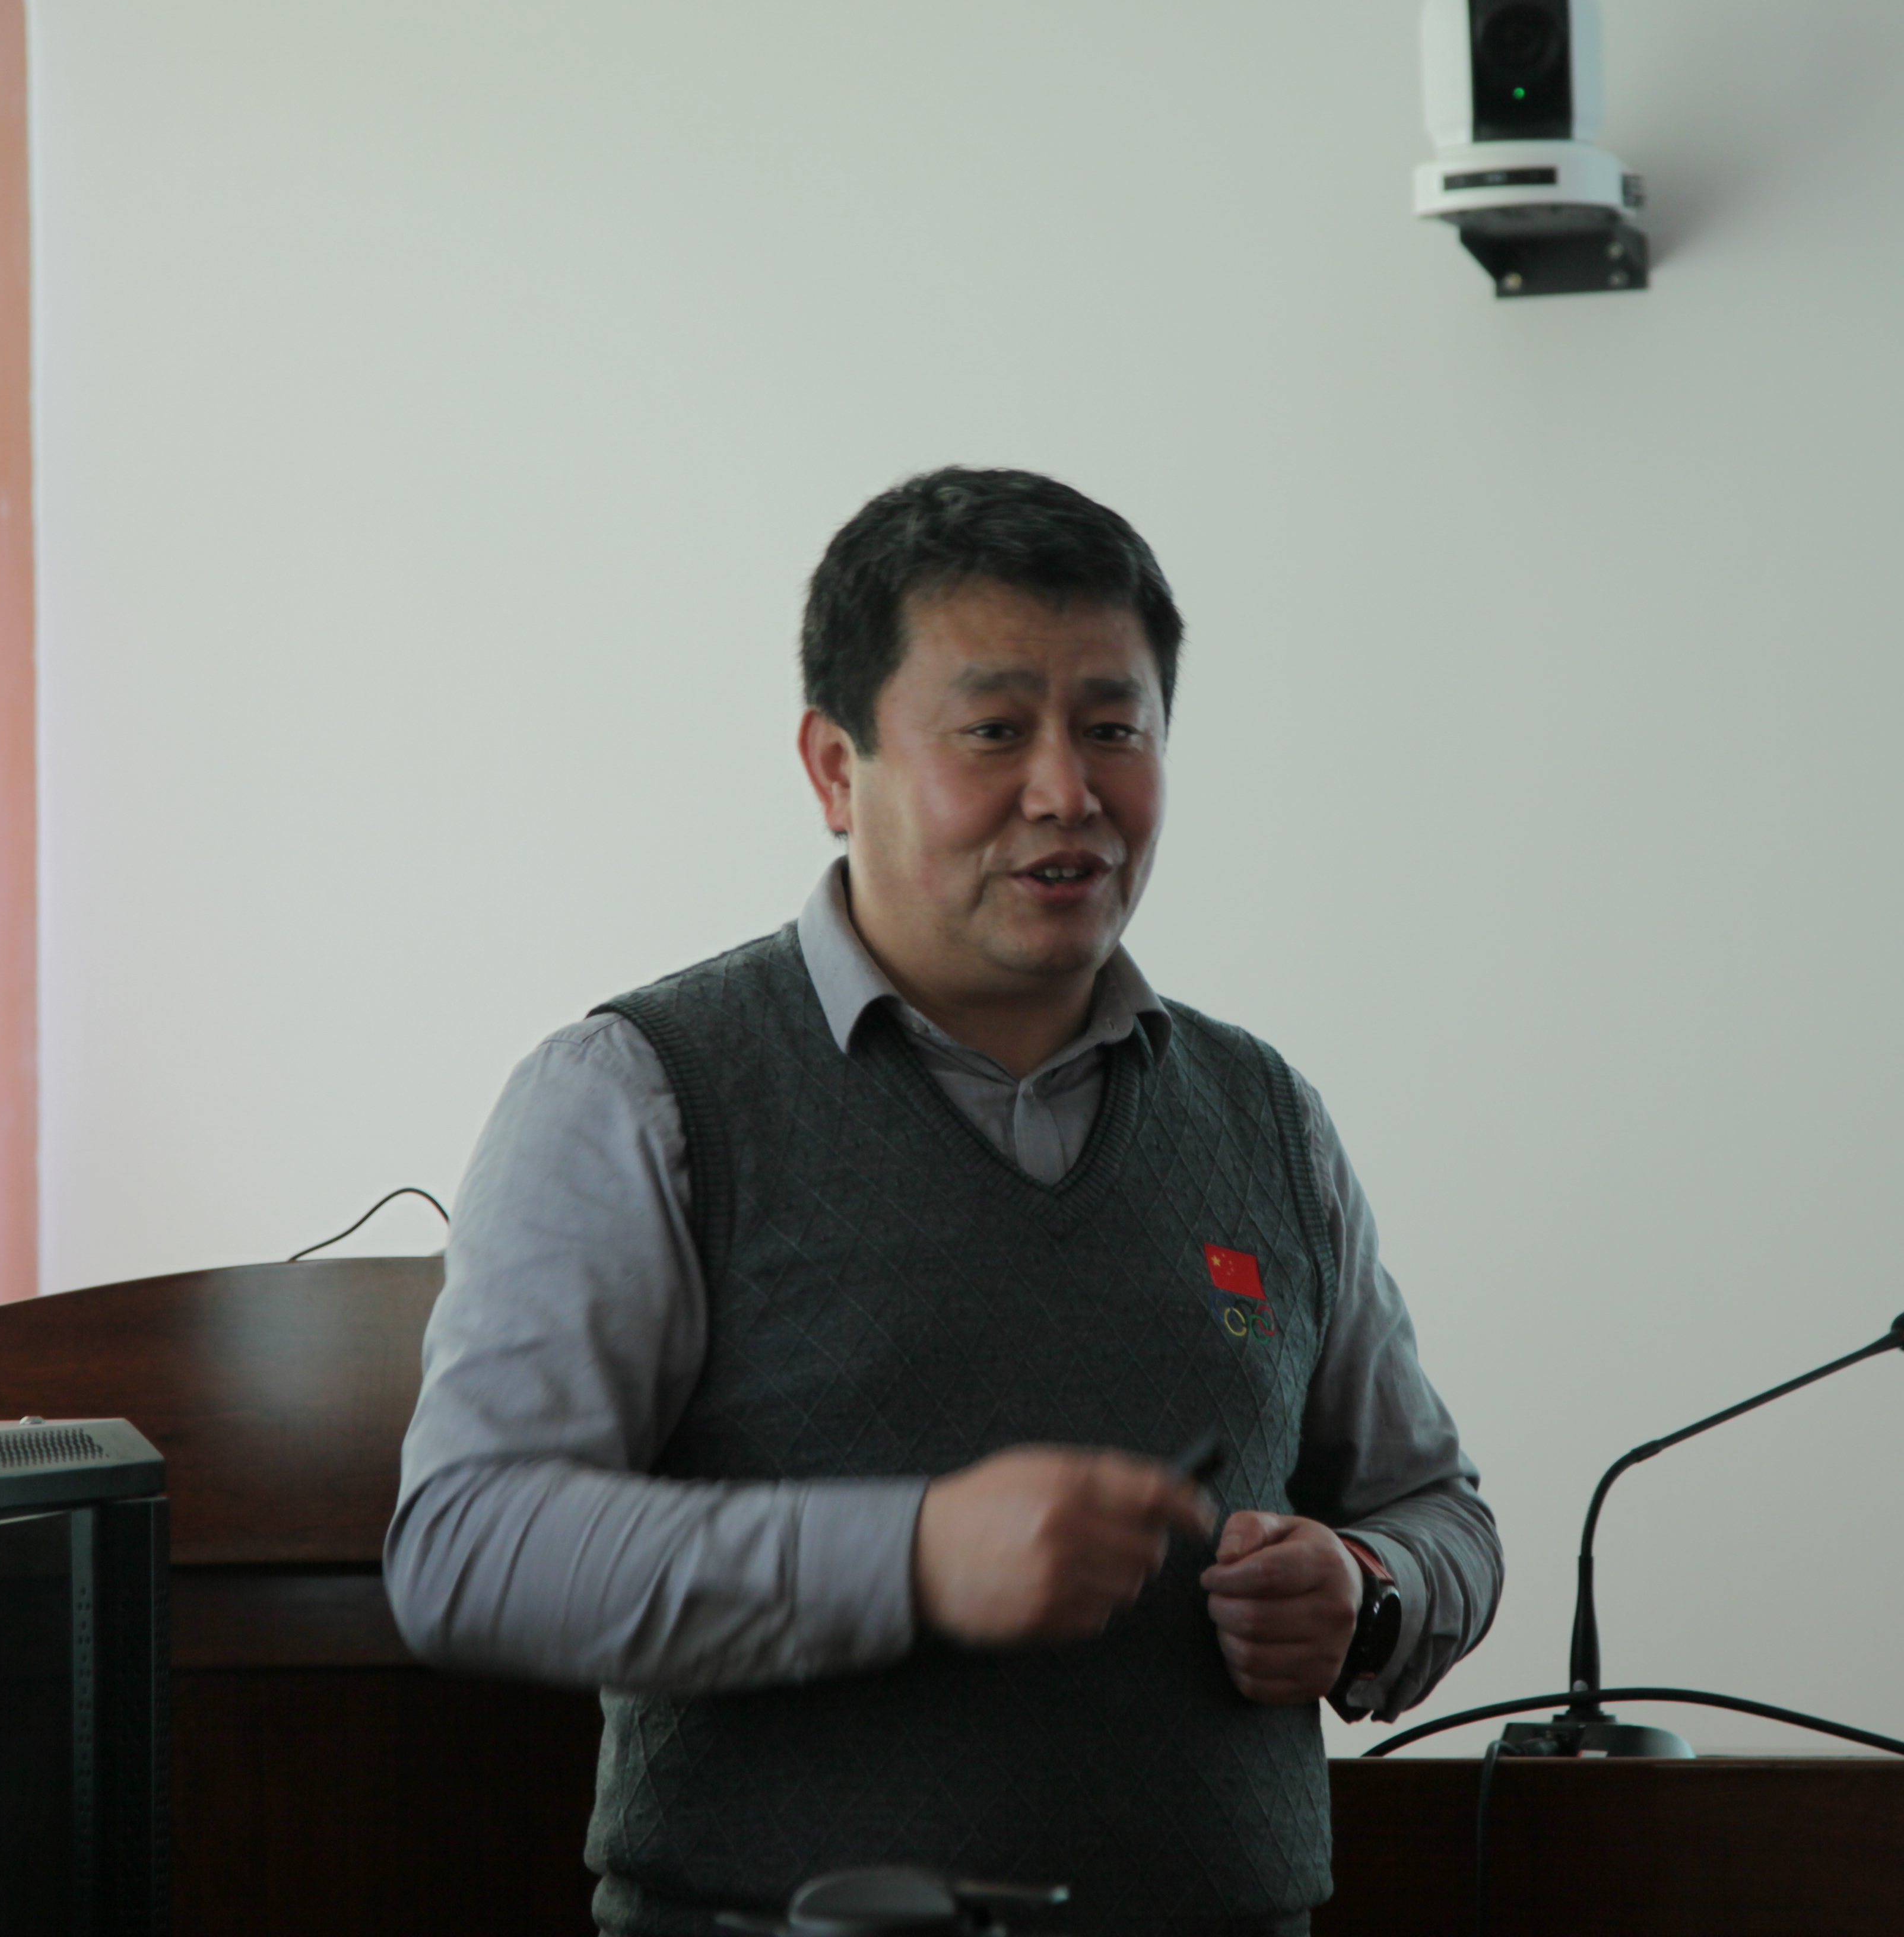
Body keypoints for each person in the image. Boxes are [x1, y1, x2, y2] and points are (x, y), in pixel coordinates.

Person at [386, 468, 1500, 1937]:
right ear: (833, 769)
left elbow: (1438, 1511)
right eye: (995, 731)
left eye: (1115, 729)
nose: (1068, 791)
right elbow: (468, 1549)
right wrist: (913, 1559)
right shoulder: (639, 1092)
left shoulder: (1266, 1118)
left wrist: (1369, 1593)